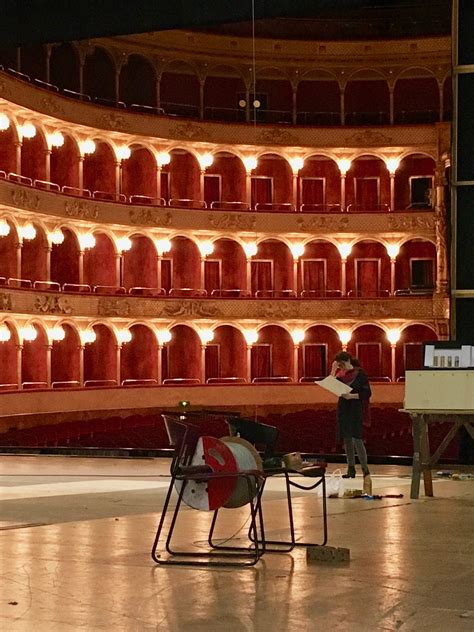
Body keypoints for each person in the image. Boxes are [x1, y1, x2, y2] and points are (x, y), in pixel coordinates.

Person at [330, 351, 372, 481]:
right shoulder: (340, 374)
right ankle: (351, 468)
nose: (341, 368)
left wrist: (351, 396)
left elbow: (367, 393)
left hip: (356, 408)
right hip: (344, 408)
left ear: (348, 361)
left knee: (357, 438)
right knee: (347, 439)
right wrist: (333, 369)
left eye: (342, 365)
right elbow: (331, 384)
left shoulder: (360, 374)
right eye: (339, 366)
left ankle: (365, 469)